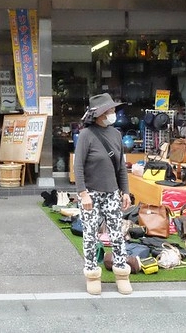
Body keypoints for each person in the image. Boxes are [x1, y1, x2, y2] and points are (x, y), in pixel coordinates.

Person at [73, 92, 132, 296]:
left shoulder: (116, 134)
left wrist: (126, 192)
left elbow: (121, 167)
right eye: (110, 110)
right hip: (91, 194)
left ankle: (122, 275)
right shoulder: (86, 135)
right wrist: (83, 193)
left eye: (113, 110)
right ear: (100, 113)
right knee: (90, 235)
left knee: (117, 235)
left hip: (112, 193)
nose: (113, 113)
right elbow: (78, 166)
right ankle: (92, 274)